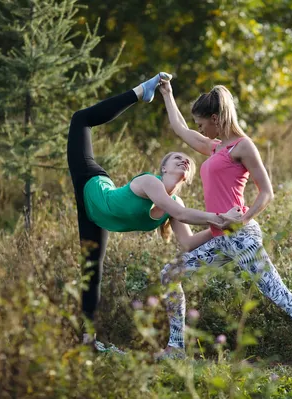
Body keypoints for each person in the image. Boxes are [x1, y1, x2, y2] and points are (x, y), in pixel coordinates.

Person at [156, 79, 292, 369]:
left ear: (215, 119)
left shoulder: (242, 147)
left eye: (202, 124)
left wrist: (242, 218)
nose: (200, 130)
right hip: (220, 240)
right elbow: (180, 129)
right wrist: (167, 94)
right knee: (170, 273)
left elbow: (266, 192)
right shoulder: (215, 148)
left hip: (241, 238)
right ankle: (176, 347)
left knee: (280, 296)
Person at [67, 72, 242, 352]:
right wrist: (219, 218)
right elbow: (181, 212)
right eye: (176, 158)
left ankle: (88, 342)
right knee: (80, 119)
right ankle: (139, 92)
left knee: (92, 272)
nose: (184, 158)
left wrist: (221, 229)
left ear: (188, 177)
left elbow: (187, 242)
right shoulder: (151, 182)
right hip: (91, 184)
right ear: (163, 168)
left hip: (97, 217)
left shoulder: (176, 207)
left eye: (187, 160)